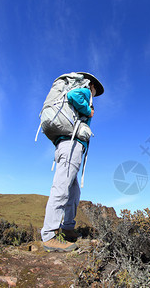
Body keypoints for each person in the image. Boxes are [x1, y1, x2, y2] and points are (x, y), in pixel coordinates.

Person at [41, 72, 104, 252]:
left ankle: (68, 227)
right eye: (95, 90)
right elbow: (73, 96)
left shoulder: (83, 91)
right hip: (71, 145)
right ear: (91, 85)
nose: (94, 93)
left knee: (73, 190)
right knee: (61, 187)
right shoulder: (83, 90)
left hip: (68, 144)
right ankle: (49, 235)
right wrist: (88, 110)